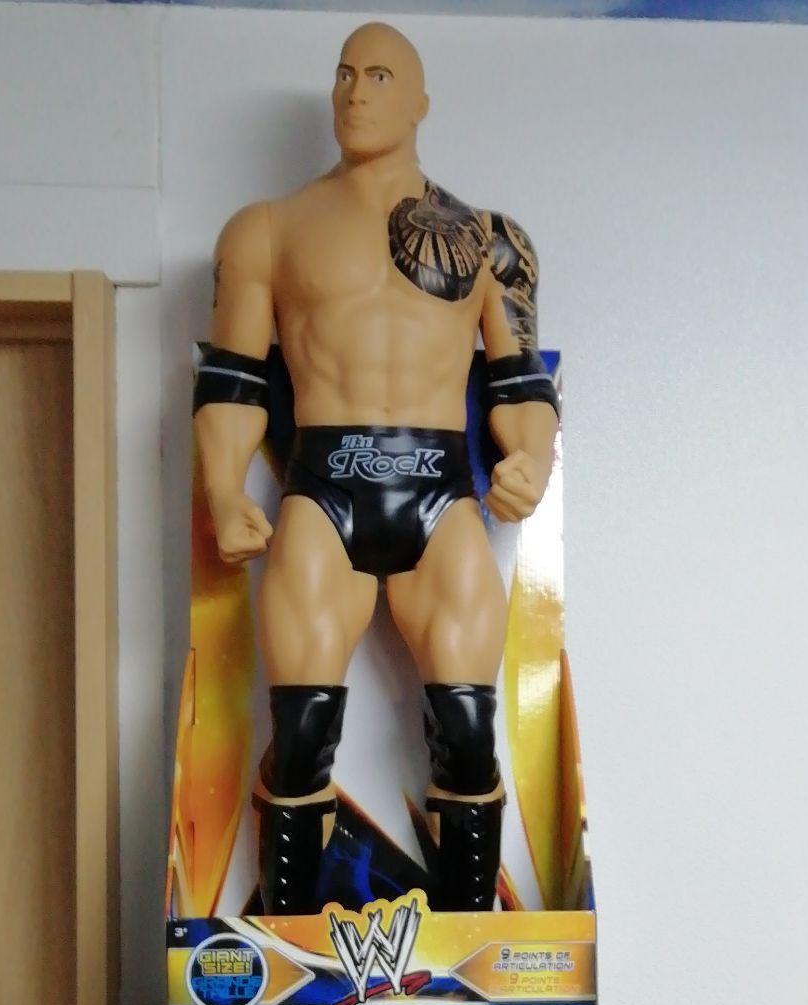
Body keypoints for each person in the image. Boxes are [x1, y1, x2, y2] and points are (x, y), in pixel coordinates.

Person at [193, 21, 559, 915]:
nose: (356, 92)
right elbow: (233, 379)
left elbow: (520, 381)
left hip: (442, 494)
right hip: (325, 491)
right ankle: (287, 939)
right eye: (345, 74)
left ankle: (470, 942)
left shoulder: (489, 240)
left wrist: (533, 458)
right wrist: (223, 489)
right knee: (300, 735)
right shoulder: (267, 231)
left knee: (468, 733)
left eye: (382, 76)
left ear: (421, 101)